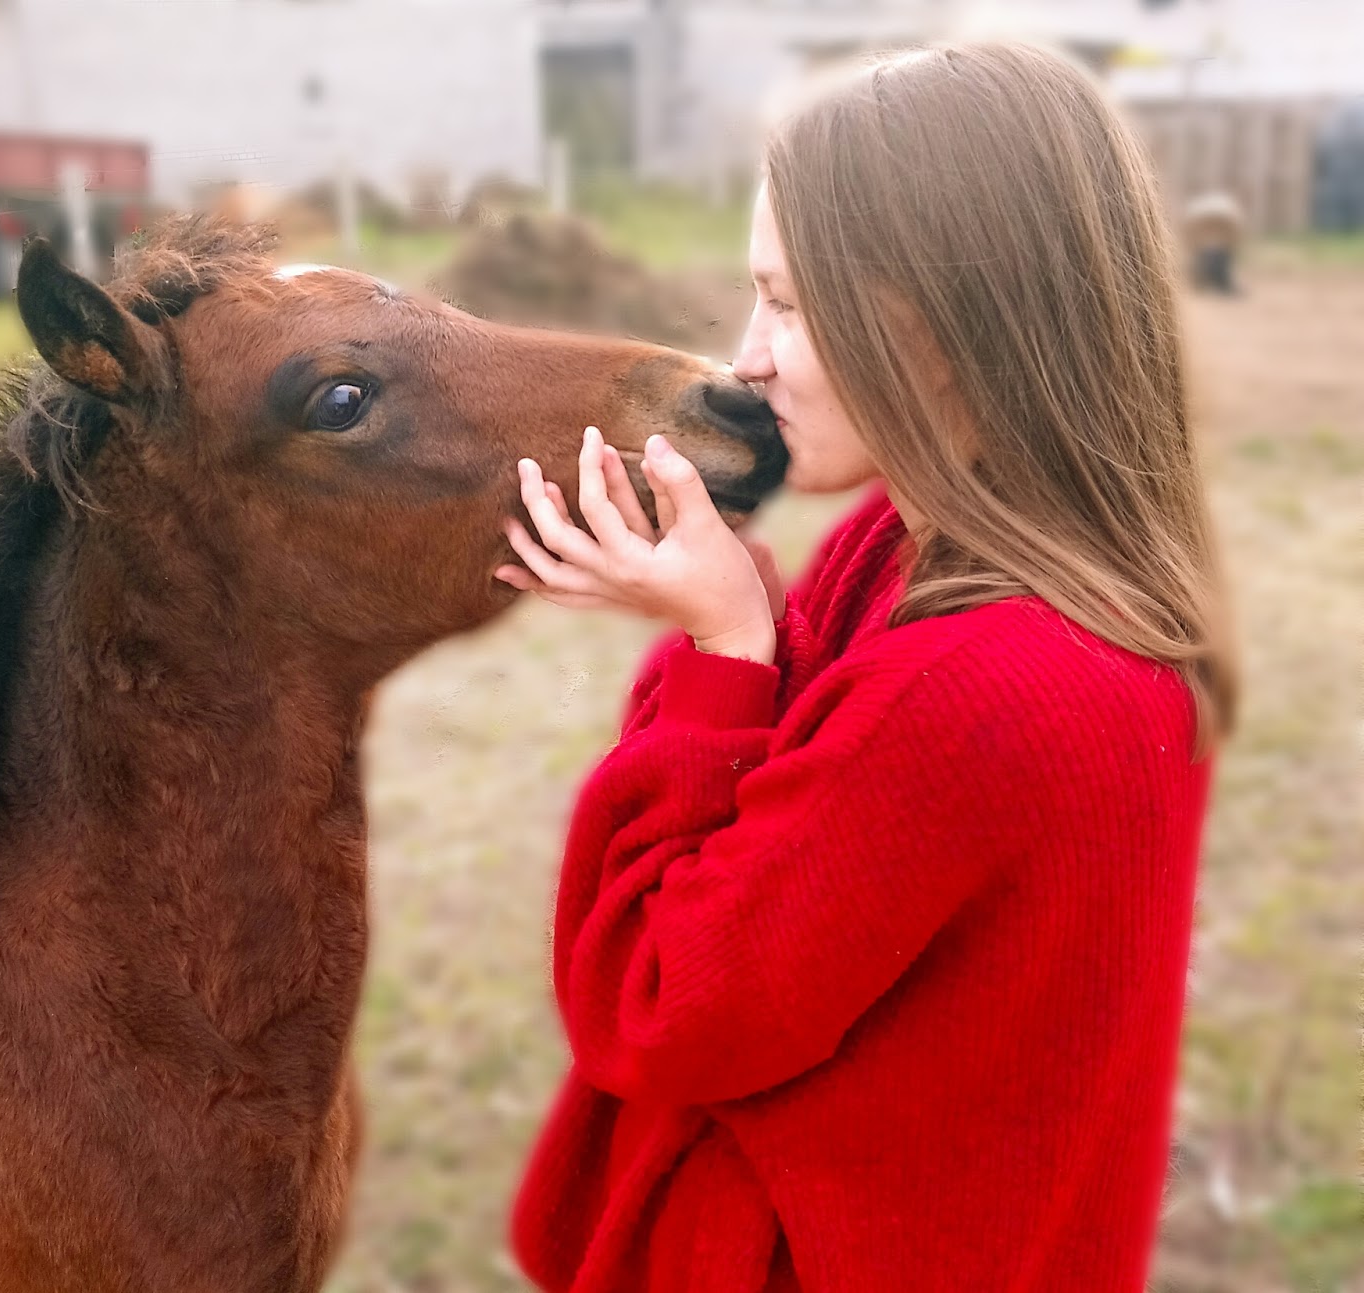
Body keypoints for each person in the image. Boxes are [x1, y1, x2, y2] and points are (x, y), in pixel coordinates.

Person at [492, 41, 1236, 1293]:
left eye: (789, 303)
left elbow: (660, 1000)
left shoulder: (977, 686)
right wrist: (739, 622)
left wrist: (725, 652)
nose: (748, 356)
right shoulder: (963, 565)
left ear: (952, 320)